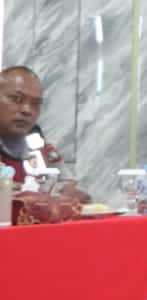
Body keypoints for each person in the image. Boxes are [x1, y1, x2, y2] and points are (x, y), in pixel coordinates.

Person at [0, 65, 92, 202]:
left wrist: (69, 193)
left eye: (35, 103)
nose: (27, 110)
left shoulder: (37, 143)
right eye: (16, 99)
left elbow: (67, 183)